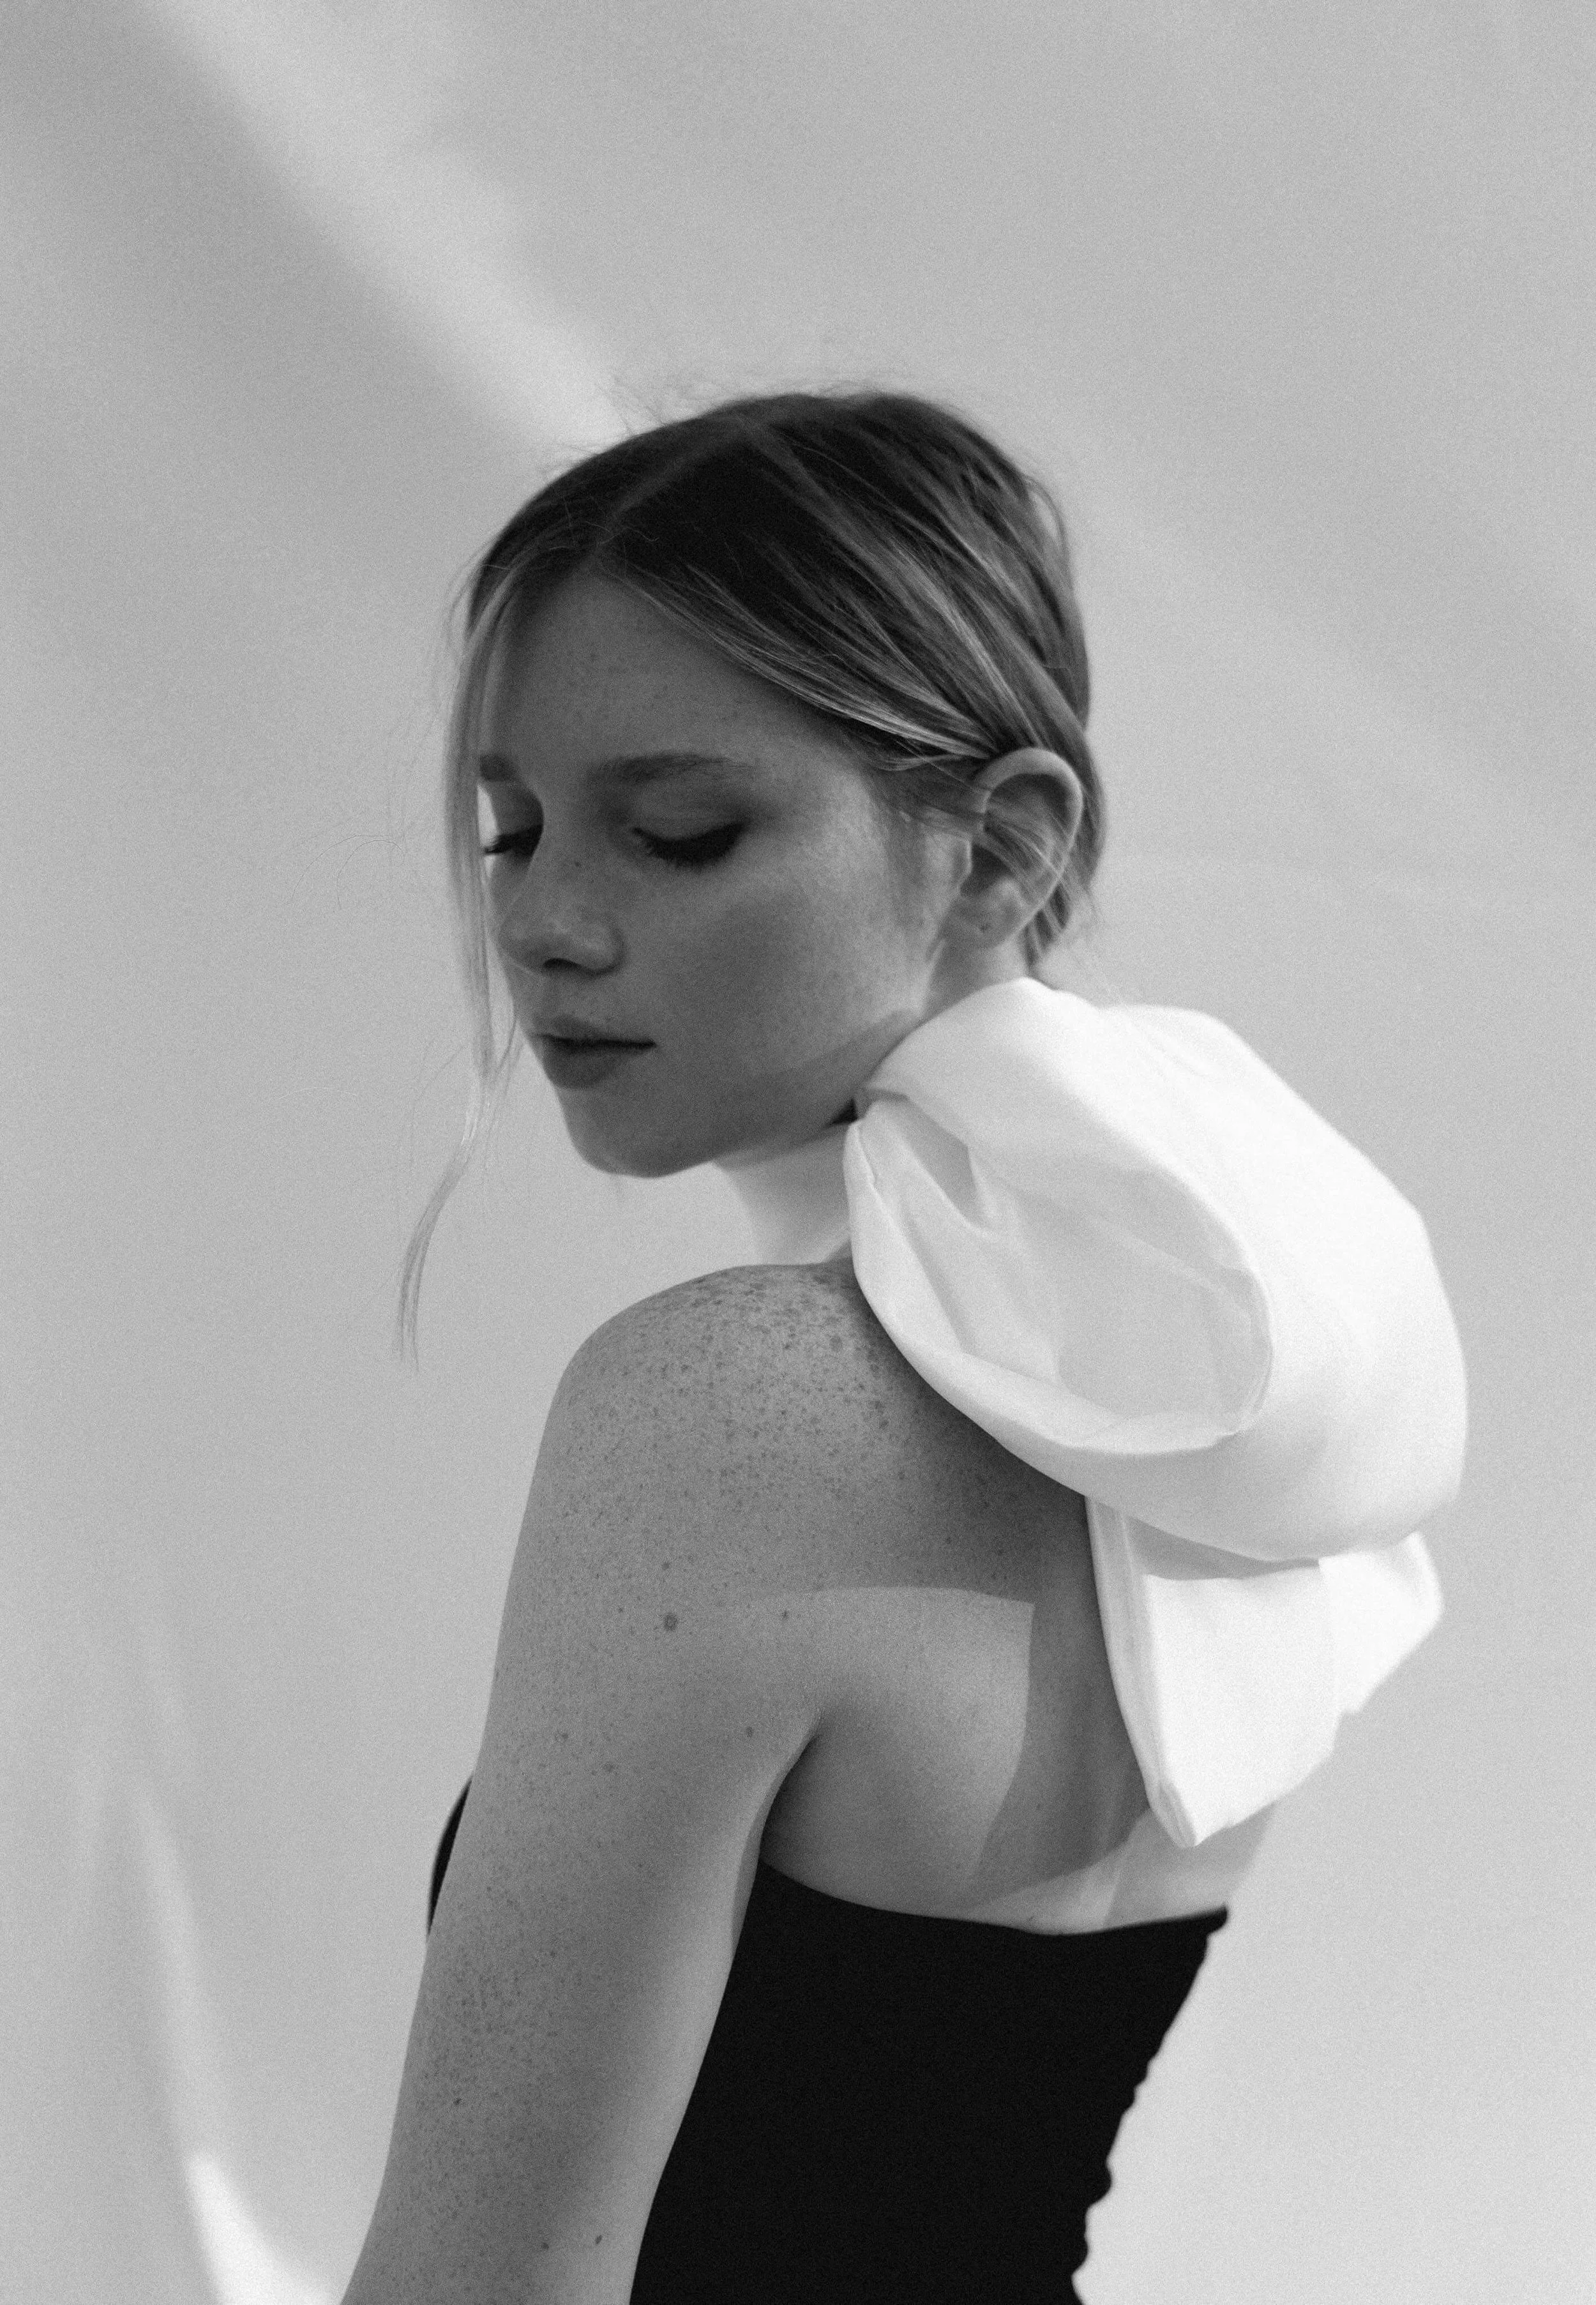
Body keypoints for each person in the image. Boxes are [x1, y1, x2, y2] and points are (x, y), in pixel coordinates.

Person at [342, 389, 1466, 2304]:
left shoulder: (728, 1406)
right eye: (511, 830)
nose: (540, 920)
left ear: (1003, 851)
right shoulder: (1228, 1380)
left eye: (678, 833)